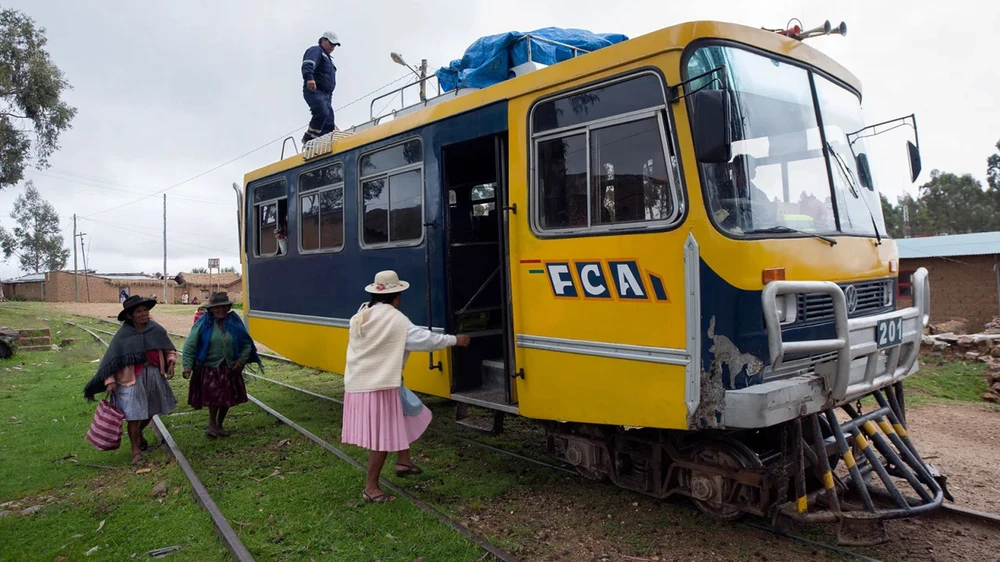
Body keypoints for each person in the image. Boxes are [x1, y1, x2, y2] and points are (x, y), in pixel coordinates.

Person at [341, 270, 471, 503]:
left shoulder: (362, 315)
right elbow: (423, 340)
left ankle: (404, 459)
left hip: (363, 382)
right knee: (382, 438)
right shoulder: (395, 319)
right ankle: (371, 489)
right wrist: (455, 340)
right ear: (397, 296)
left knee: (410, 410)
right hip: (379, 386)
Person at [83, 296, 177, 464]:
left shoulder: (156, 330)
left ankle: (139, 433)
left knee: (151, 410)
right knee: (134, 415)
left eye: (145, 310)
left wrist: (171, 362)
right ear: (130, 316)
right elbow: (111, 360)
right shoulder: (123, 335)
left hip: (154, 374)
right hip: (131, 379)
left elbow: (169, 348)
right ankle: (135, 452)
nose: (144, 314)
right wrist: (110, 380)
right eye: (139, 312)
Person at [182, 292, 261, 438]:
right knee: (213, 397)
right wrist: (187, 366)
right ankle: (212, 423)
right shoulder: (203, 323)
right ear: (211, 309)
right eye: (217, 307)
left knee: (227, 397)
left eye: (224, 307)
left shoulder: (235, 323)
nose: (221, 310)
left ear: (228, 307)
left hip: (230, 368)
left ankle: (219, 423)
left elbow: (246, 344)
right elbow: (190, 345)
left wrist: (241, 360)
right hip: (209, 367)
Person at [301, 31, 340, 145]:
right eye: (331, 43)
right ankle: (309, 138)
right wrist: (309, 78)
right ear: (323, 40)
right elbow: (308, 63)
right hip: (314, 89)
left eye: (335, 45)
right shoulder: (316, 51)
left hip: (327, 95)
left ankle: (323, 142)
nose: (333, 47)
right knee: (322, 111)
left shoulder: (329, 59)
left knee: (329, 120)